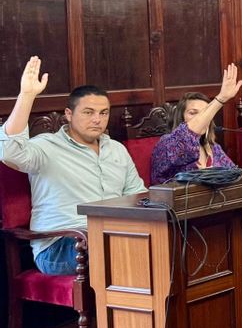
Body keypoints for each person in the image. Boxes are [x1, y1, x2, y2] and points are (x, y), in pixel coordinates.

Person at [0, 57, 145, 275]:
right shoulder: (47, 147)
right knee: (120, 250)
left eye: (103, 113)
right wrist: (27, 96)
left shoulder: (116, 149)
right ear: (69, 114)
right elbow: (9, 152)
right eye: (88, 112)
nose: (97, 119)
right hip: (60, 246)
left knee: (163, 241)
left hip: (111, 234)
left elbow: (137, 195)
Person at [150, 63, 242, 185]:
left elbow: (234, 175)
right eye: (193, 113)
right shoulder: (167, 143)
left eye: (205, 114)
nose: (201, 118)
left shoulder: (213, 148)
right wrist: (221, 98)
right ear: (181, 117)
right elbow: (187, 134)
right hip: (175, 203)